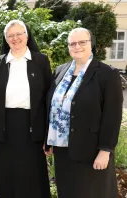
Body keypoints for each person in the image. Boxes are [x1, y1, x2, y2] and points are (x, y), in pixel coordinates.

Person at [46, 27, 123, 198]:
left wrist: (105, 150)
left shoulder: (107, 74)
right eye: (72, 43)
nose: (77, 46)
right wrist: (48, 139)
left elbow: (113, 115)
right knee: (68, 192)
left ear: (91, 44)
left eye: (82, 42)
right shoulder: (60, 71)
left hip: (91, 150)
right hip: (63, 149)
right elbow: (52, 106)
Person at [0, 20, 51, 198]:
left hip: (32, 127)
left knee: (31, 175)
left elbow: (48, 98)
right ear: (6, 39)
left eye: (19, 34)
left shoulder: (41, 60)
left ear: (27, 36)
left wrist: (48, 134)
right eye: (11, 35)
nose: (15, 38)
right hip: (4, 127)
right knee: (6, 173)